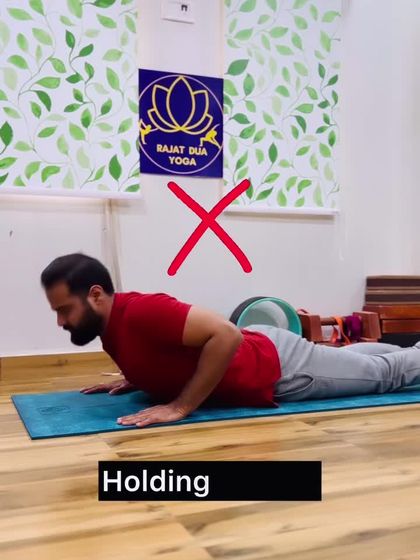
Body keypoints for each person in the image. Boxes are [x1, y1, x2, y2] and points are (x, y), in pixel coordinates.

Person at [41, 253, 420, 428]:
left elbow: (226, 333)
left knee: (384, 376)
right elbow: (163, 351)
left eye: (64, 310)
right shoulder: (110, 327)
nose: (60, 321)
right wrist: (139, 377)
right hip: (266, 347)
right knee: (365, 364)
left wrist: (180, 407)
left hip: (280, 369)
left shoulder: (141, 311)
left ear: (95, 295)